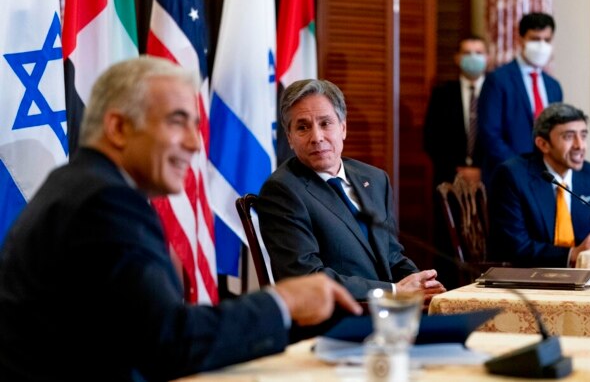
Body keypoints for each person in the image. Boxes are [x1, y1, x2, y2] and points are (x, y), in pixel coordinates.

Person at [0, 57, 362, 381]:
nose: (193, 144)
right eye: (178, 122)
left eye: (196, 126)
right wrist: (283, 302)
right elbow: (171, 343)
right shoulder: (103, 201)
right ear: (118, 127)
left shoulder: (82, 184)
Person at [256, 79, 446, 300]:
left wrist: (421, 282)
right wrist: (394, 291)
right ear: (289, 138)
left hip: (388, 314)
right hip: (335, 321)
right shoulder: (282, 191)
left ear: (343, 128)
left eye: (325, 123)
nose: (316, 137)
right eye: (303, 127)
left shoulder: (375, 179)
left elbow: (391, 255)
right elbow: (307, 277)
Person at [487, 103, 590, 268]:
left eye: (583, 135)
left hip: (584, 278)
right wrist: (573, 253)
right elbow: (516, 247)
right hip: (527, 279)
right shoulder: (512, 176)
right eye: (569, 137)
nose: (580, 145)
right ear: (543, 144)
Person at [478, 12, 563, 186]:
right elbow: (490, 135)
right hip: (506, 177)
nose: (541, 45)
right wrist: (520, 168)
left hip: (544, 178)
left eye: (546, 40)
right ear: (520, 40)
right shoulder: (498, 79)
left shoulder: (553, 86)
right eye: (535, 39)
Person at [423, 35, 488, 185]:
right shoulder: (442, 93)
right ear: (457, 58)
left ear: (487, 57)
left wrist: (482, 170)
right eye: (467, 53)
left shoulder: (497, 93)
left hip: (489, 181)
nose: (473, 57)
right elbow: (431, 139)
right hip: (449, 180)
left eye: (478, 53)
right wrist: (458, 171)